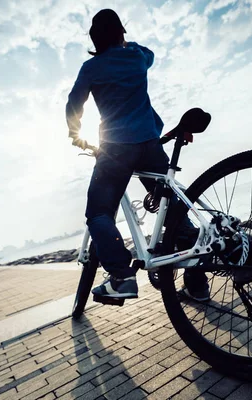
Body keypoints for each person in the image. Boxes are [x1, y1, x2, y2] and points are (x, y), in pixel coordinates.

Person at [65, 9, 209, 301]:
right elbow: (149, 54)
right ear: (121, 33)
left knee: (99, 212)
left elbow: (73, 104)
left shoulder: (91, 67)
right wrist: (127, 44)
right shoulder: (136, 57)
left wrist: (76, 135)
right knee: (173, 212)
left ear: (95, 39)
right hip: (149, 144)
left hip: (115, 146)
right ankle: (198, 282)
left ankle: (121, 275)